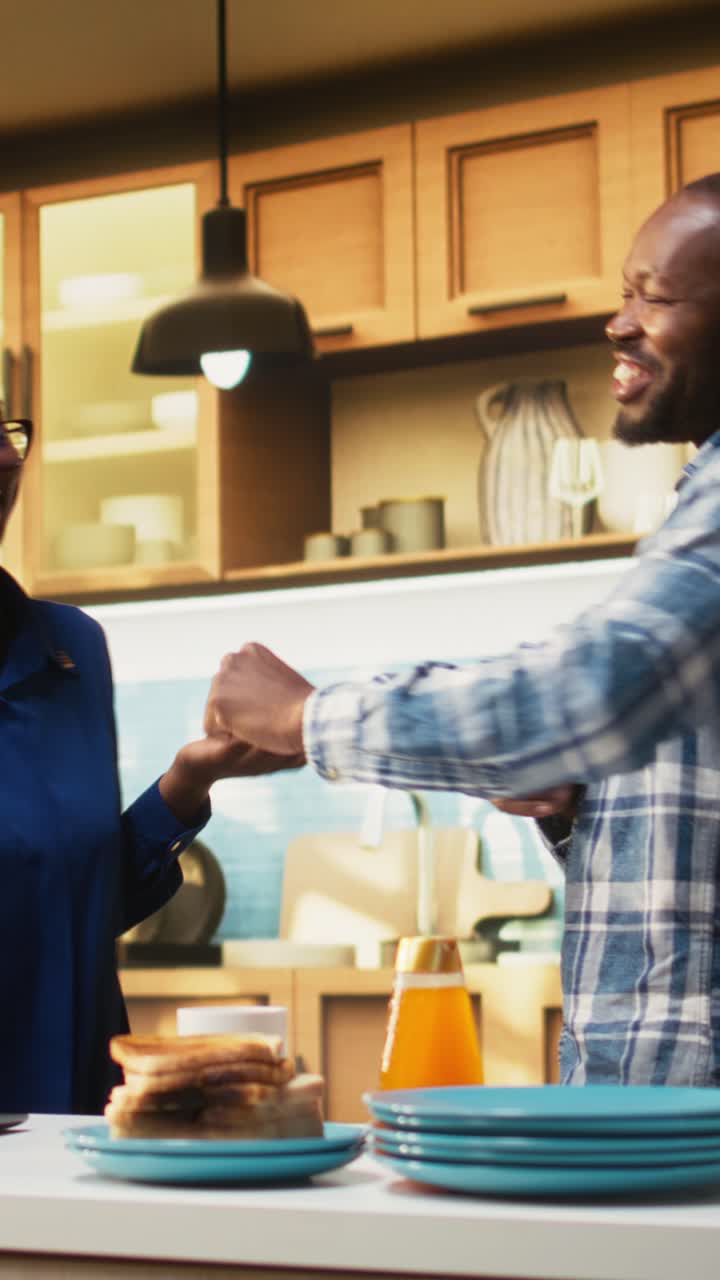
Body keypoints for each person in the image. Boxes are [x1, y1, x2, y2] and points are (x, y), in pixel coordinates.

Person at [203, 173, 720, 1088]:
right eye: (623, 291)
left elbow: (581, 695)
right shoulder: (696, 499)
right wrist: (573, 801)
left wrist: (305, 717)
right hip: (655, 1116)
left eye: (654, 295)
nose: (619, 322)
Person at [0, 415, 299, 1115]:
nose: (2, 457)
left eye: (6, 429)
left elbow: (79, 906)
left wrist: (187, 785)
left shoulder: (67, 648)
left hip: (72, 1118)